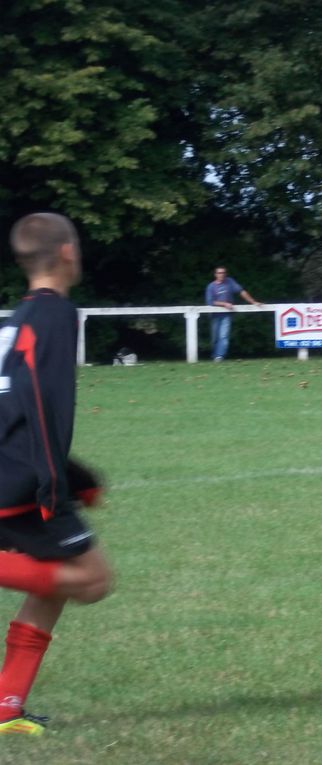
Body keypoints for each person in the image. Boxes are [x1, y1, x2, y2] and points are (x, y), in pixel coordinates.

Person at [0, 212, 114, 736]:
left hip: (14, 468)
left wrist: (75, 473)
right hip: (23, 480)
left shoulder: (15, 319)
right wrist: (55, 480)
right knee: (91, 580)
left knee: (51, 585)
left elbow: (20, 405)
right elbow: (42, 403)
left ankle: (6, 706)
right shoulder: (56, 314)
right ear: (67, 252)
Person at [204, 266, 261, 361]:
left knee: (224, 336)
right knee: (215, 338)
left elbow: (241, 291)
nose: (221, 274)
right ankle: (214, 355)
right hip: (214, 315)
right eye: (219, 273)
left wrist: (253, 302)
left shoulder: (230, 282)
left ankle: (219, 356)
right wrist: (224, 304)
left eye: (223, 273)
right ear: (215, 275)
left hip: (226, 315)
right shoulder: (211, 286)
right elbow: (210, 301)